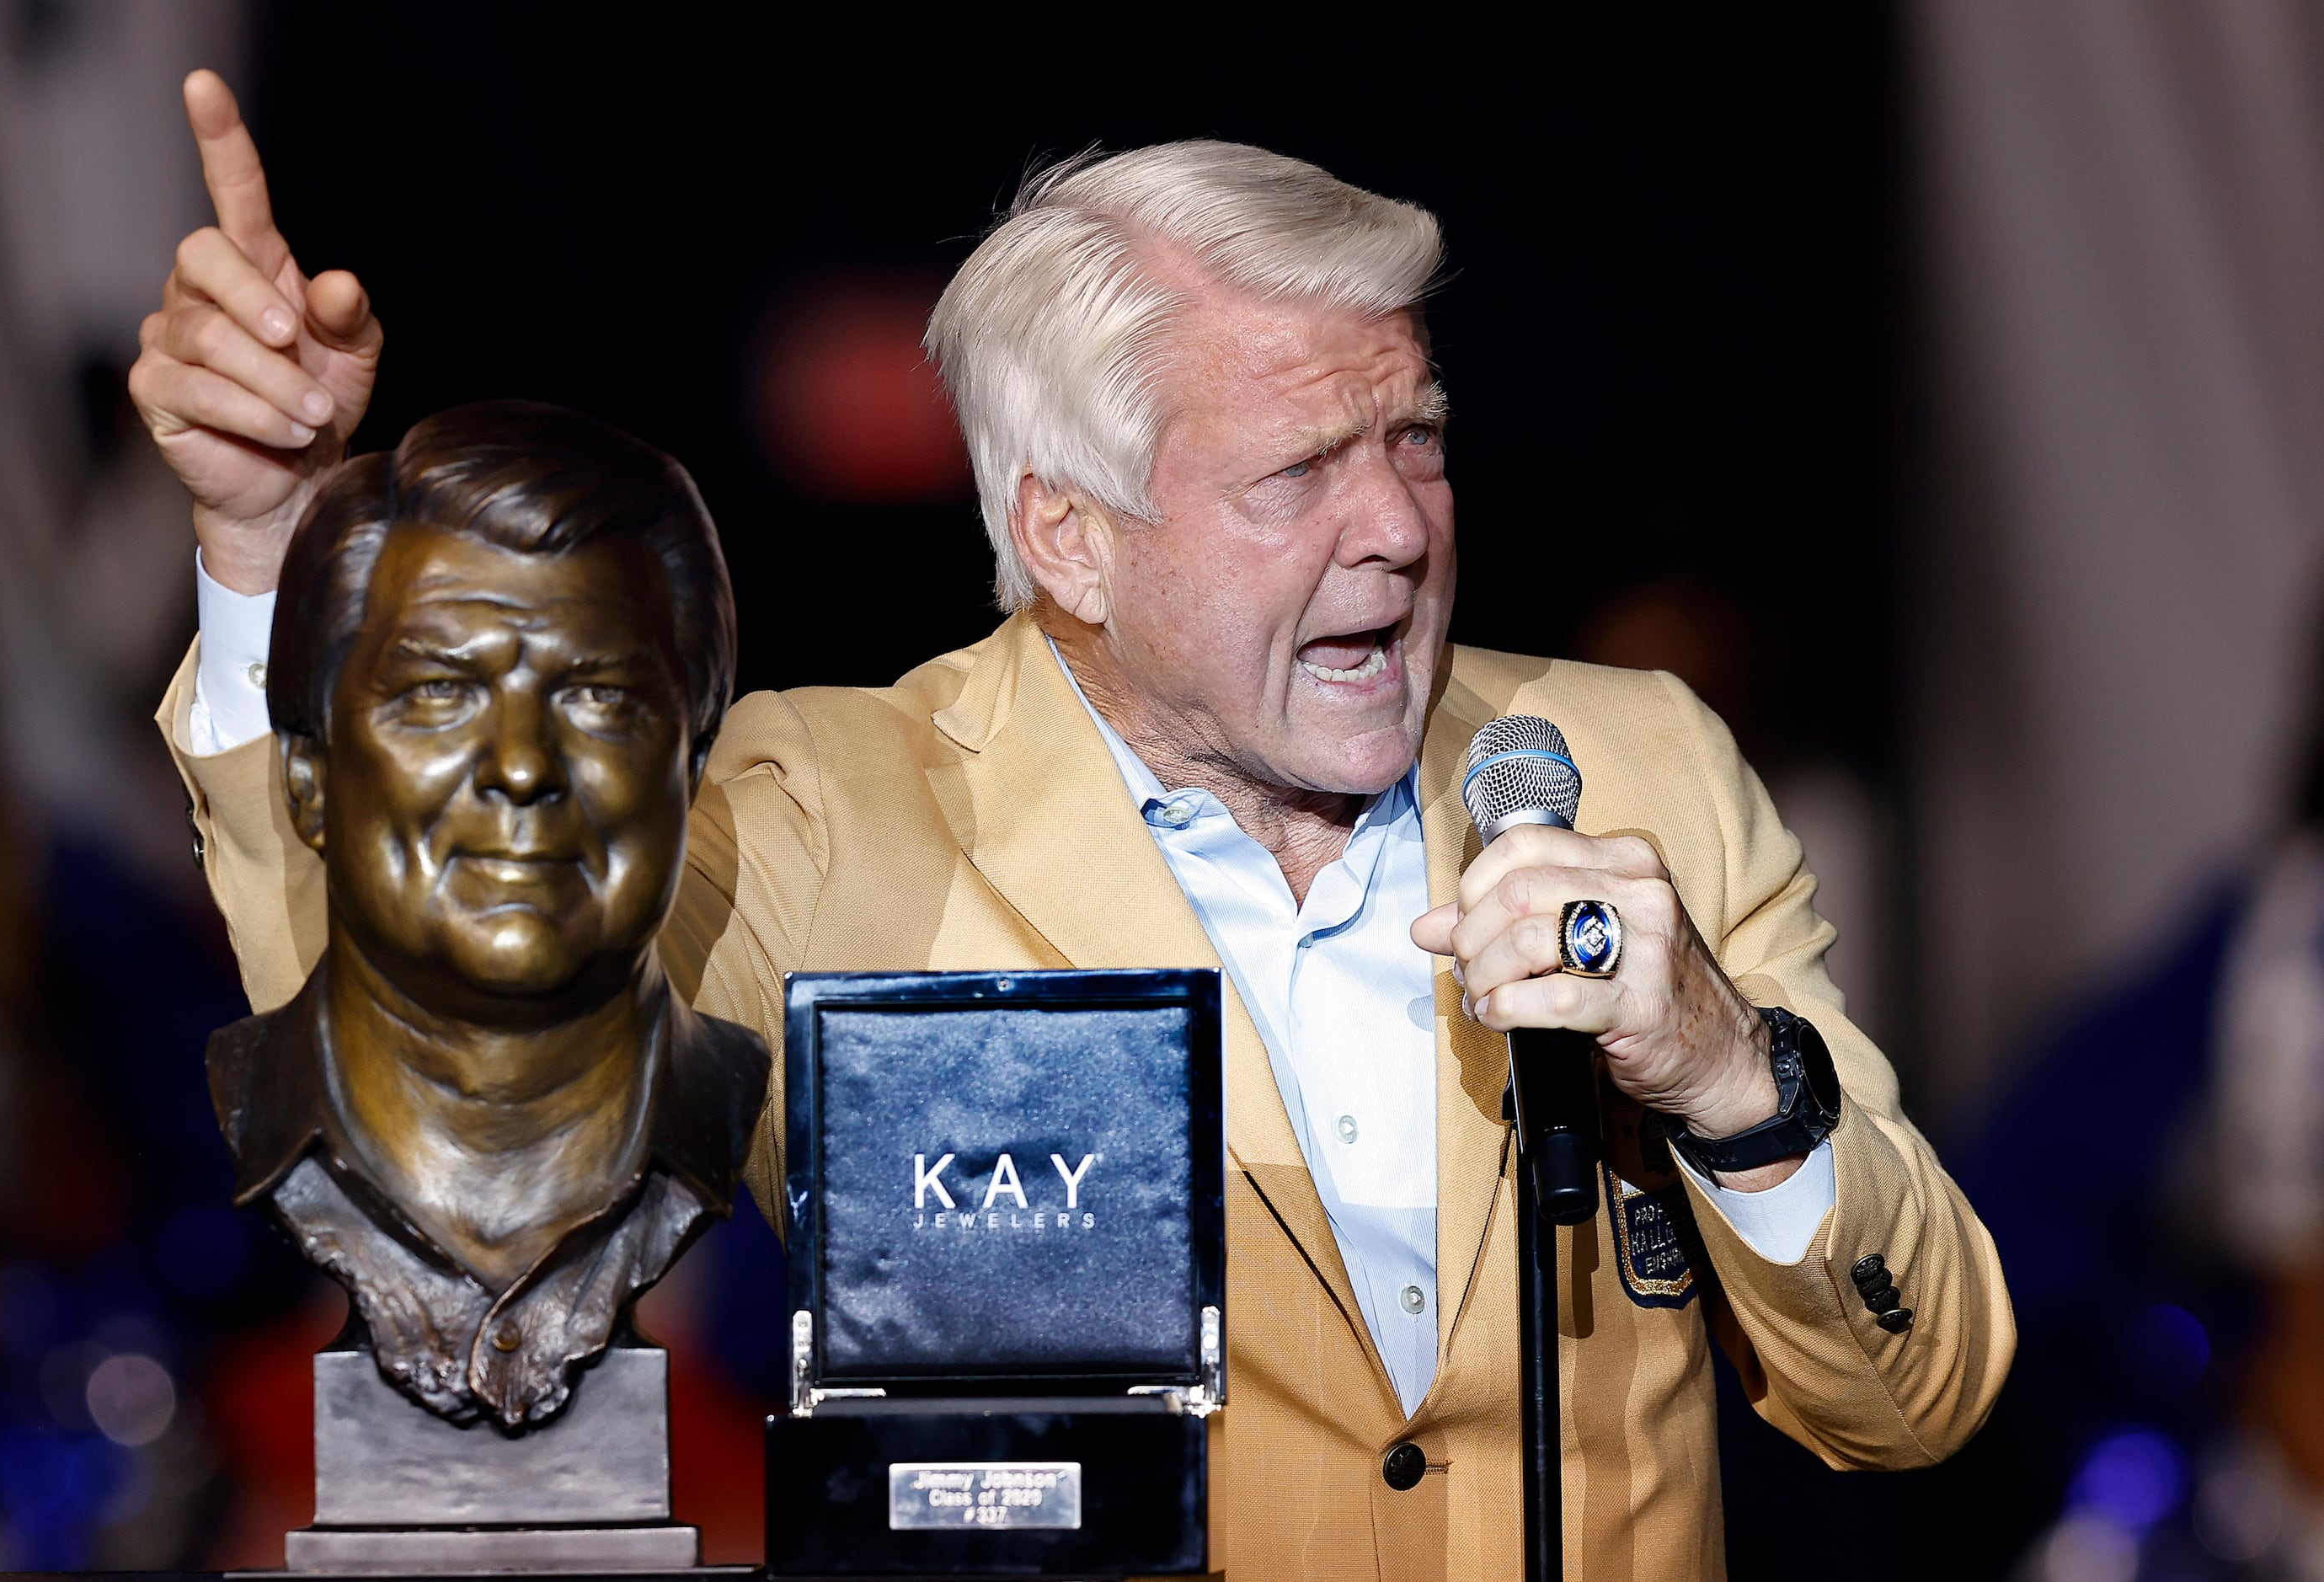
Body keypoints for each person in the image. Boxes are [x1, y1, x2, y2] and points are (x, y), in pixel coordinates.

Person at [132, 70, 2013, 1579]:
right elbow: (417, 1050)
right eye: (1299, 469)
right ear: (1066, 535)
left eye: (1416, 437)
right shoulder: (826, 814)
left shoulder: (1628, 763)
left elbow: (1914, 1394)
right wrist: (272, 545)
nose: (1397, 527)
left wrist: (1721, 1072)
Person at [203, 401, 768, 1431]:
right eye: (438, 692)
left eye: (598, 698)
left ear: (687, 771)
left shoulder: (785, 1145)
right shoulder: (198, 1171)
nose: (520, 766)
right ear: (309, 779)